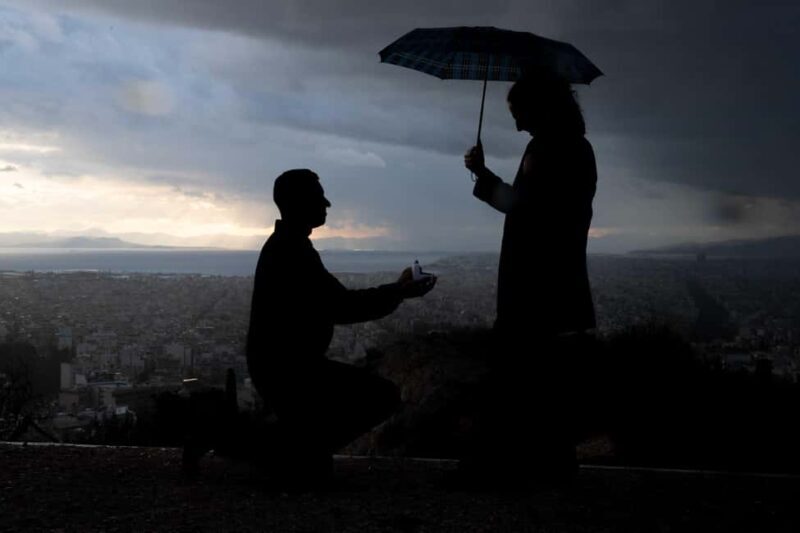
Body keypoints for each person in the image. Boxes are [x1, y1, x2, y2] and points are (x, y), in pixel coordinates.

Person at [246, 168, 436, 484]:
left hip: (284, 365)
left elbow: (336, 302)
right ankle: (290, 453)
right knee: (381, 396)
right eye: (318, 197)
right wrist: (399, 291)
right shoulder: (291, 250)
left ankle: (293, 451)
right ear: (298, 202)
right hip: (288, 370)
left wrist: (397, 290)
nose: (327, 203)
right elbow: (342, 306)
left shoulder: (289, 245)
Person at [462, 74, 597, 485]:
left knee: (514, 375)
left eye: (520, 113)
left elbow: (523, 208)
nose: (518, 123)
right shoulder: (574, 146)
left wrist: (483, 175)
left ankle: (499, 466)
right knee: (541, 379)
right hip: (554, 280)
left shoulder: (550, 149)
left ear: (541, 108)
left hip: (534, 283)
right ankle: (549, 464)